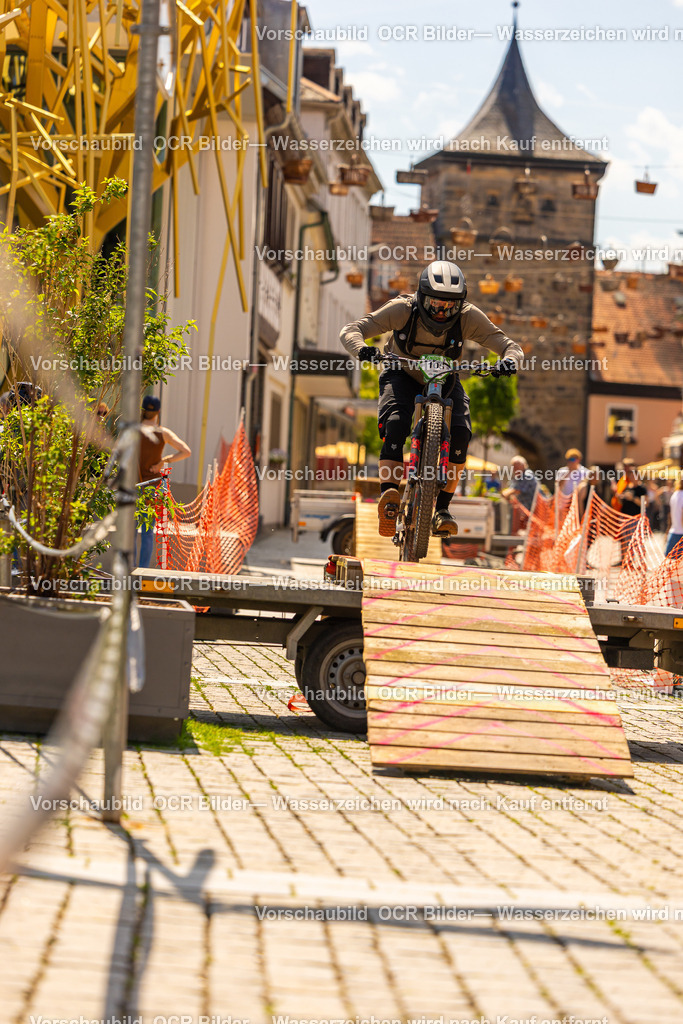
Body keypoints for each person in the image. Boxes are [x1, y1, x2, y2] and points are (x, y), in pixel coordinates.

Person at [340, 261, 523, 537]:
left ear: (460, 304)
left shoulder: (468, 317)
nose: (441, 312)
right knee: (396, 423)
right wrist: (362, 349)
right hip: (401, 372)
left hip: (446, 377)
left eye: (449, 306)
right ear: (422, 297)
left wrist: (509, 361)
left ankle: (442, 510)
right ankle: (389, 497)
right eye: (436, 303)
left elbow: (510, 346)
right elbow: (352, 330)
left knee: (461, 435)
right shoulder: (402, 309)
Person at [137, 395, 191, 568]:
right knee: (147, 532)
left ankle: (126, 571)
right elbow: (186, 451)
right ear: (158, 412)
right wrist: (164, 461)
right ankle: (143, 571)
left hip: (132, 484)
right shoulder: (163, 433)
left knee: (128, 531)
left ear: (143, 410)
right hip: (152, 486)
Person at [665, 478, 683, 556]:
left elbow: (671, 514)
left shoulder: (675, 494)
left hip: (673, 532)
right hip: (680, 534)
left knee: (671, 562)